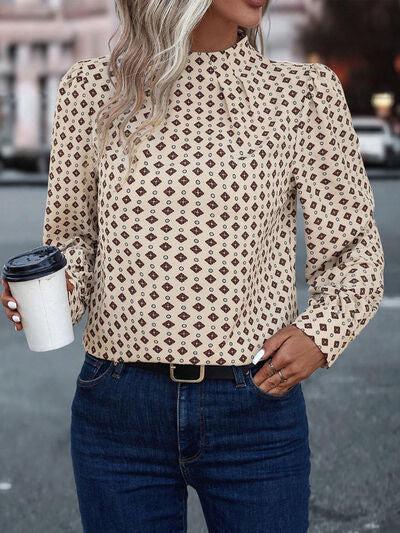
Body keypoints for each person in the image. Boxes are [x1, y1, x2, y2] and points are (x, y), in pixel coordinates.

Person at [1, 0, 384, 531]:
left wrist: (321, 336)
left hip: (253, 405)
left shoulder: (303, 96)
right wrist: (54, 292)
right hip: (119, 408)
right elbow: (76, 241)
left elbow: (354, 253)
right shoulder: (91, 90)